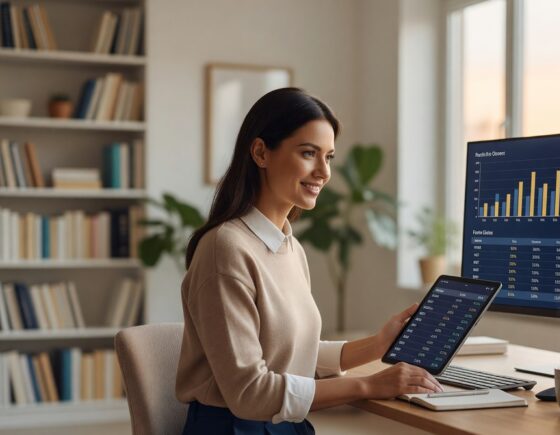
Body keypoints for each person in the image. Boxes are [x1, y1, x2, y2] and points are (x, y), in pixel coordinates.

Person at [176, 87, 443, 434]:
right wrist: (370, 385)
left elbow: (292, 352)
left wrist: (377, 345)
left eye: (329, 157)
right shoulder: (224, 248)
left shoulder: (288, 246)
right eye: (308, 153)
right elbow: (249, 393)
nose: (323, 172)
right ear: (260, 152)